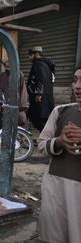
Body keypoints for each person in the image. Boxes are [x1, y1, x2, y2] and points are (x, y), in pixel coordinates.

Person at [37, 66, 81, 243]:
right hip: (56, 188)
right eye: (75, 80)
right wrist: (60, 142)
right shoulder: (60, 112)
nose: (78, 86)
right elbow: (42, 144)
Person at [27, 46, 55, 132]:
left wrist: (39, 94)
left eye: (30, 55)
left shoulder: (38, 64)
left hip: (40, 99)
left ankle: (45, 137)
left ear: (36, 54)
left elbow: (40, 78)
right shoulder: (46, 65)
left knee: (37, 117)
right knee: (41, 119)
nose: (29, 57)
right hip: (45, 99)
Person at [0, 60, 29, 128]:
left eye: (8, 66)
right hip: (4, 107)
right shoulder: (1, 76)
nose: (6, 68)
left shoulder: (19, 74)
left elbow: (23, 90)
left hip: (17, 106)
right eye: (6, 66)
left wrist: (22, 107)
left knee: (21, 122)